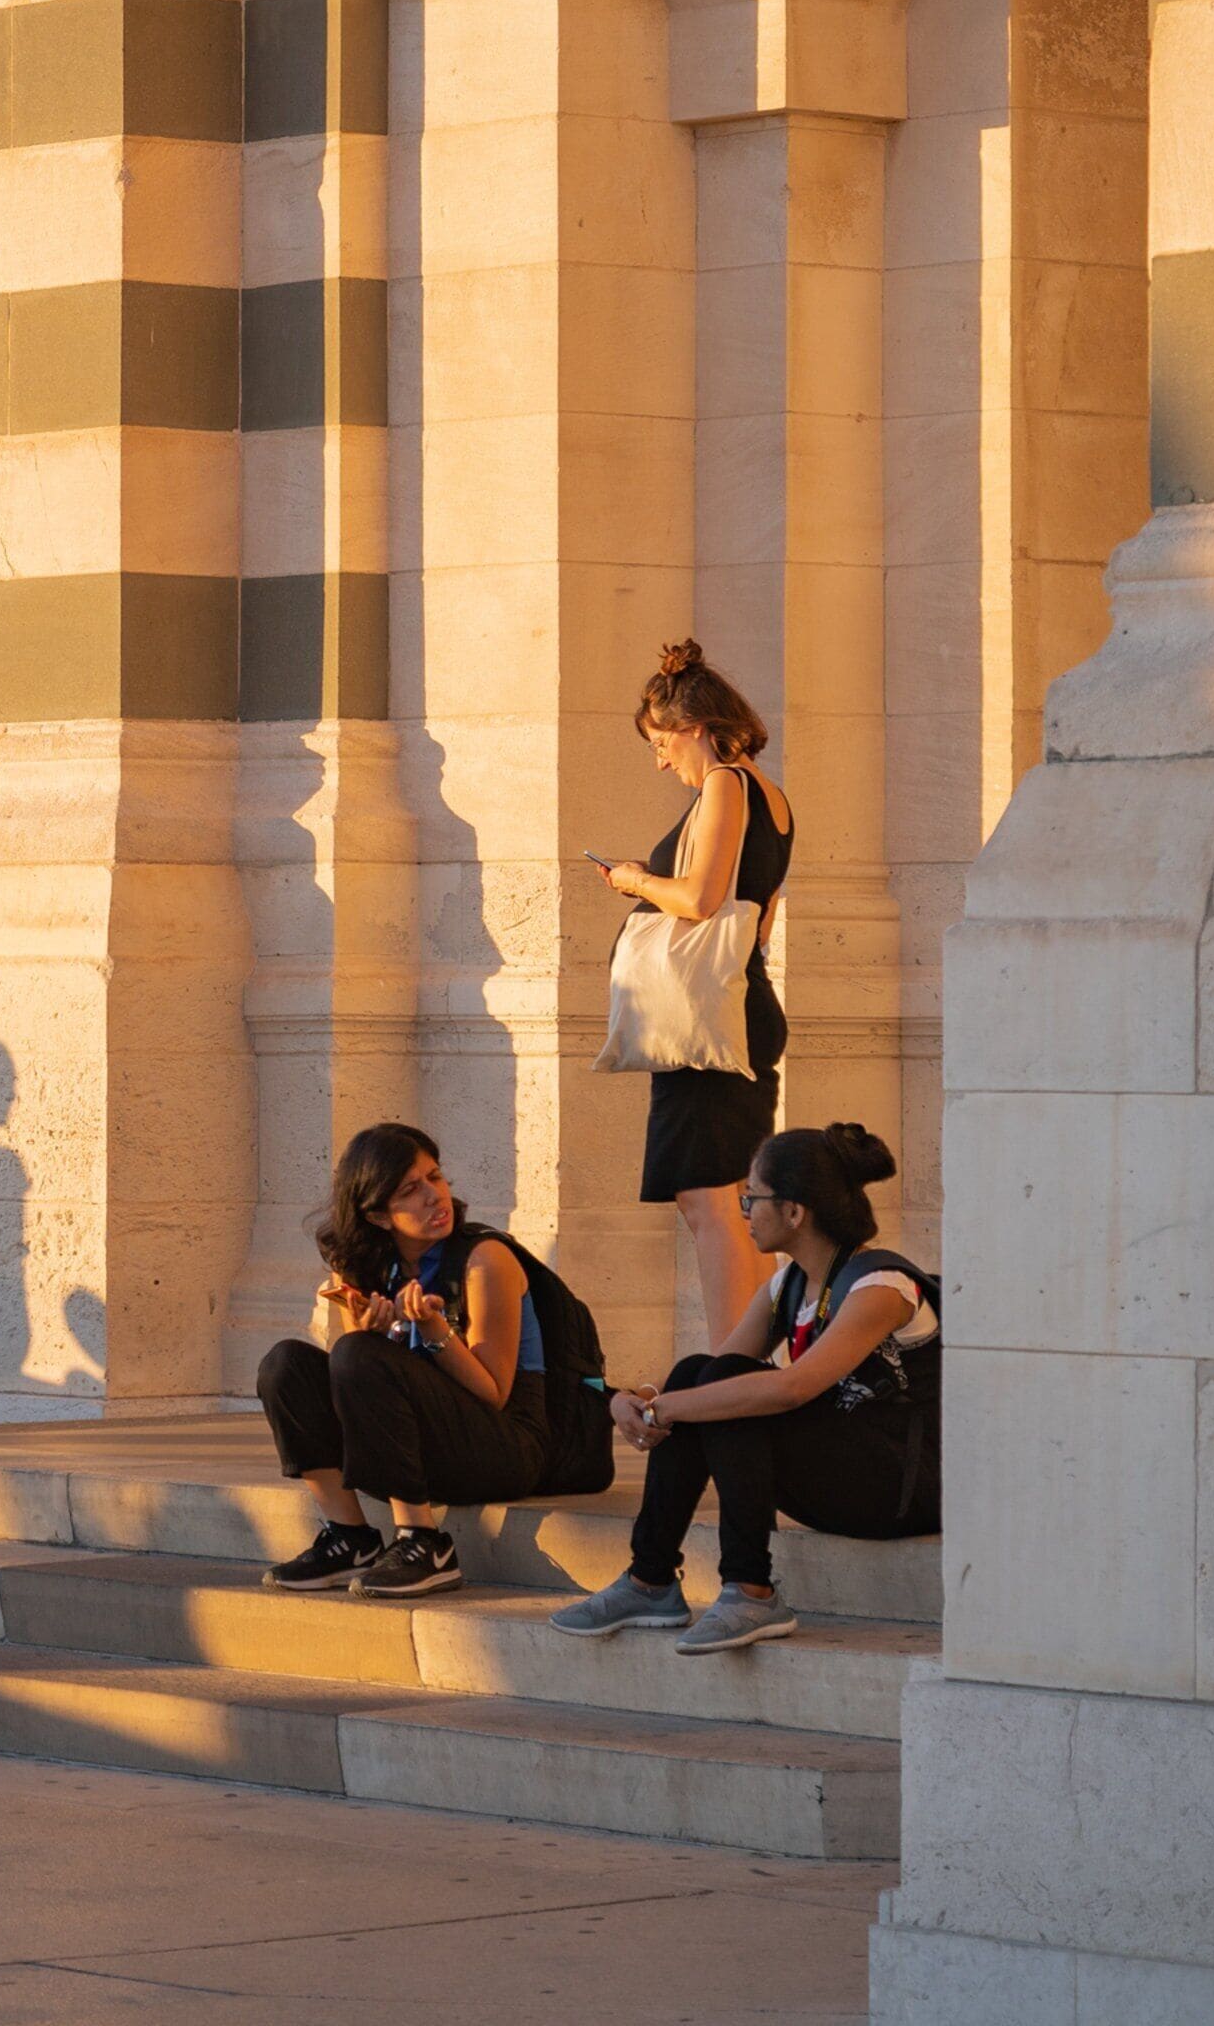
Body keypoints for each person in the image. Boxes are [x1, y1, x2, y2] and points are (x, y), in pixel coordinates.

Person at [552, 1122, 940, 1653]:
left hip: (901, 1487)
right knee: (701, 1372)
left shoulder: (882, 1287)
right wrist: (641, 1398)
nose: (743, 1212)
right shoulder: (790, 1283)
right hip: (842, 1469)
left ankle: (750, 1587)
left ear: (794, 1211)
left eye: (750, 1199)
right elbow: (716, 1367)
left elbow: (792, 1390)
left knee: (724, 1390)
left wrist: (667, 1410)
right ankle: (651, 1578)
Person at [253, 1122, 613, 1598]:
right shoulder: (374, 1266)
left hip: (510, 1446)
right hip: (423, 1445)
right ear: (379, 1216)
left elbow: (494, 1392)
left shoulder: (484, 1260)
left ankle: (425, 1543)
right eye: (410, 1190)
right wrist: (375, 1335)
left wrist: (434, 1331)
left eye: (435, 1177)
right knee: (286, 1365)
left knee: (360, 1354)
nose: (433, 1196)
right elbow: (356, 1379)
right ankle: (350, 1537)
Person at [601, 638, 796, 1340]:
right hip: (738, 1006)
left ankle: (730, 1367)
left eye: (661, 743)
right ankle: (747, 1362)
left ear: (693, 729)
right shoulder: (770, 798)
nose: (660, 761)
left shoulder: (725, 783)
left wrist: (633, 880)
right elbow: (760, 915)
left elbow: (703, 896)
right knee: (734, 1202)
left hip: (710, 1023)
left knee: (710, 1202)